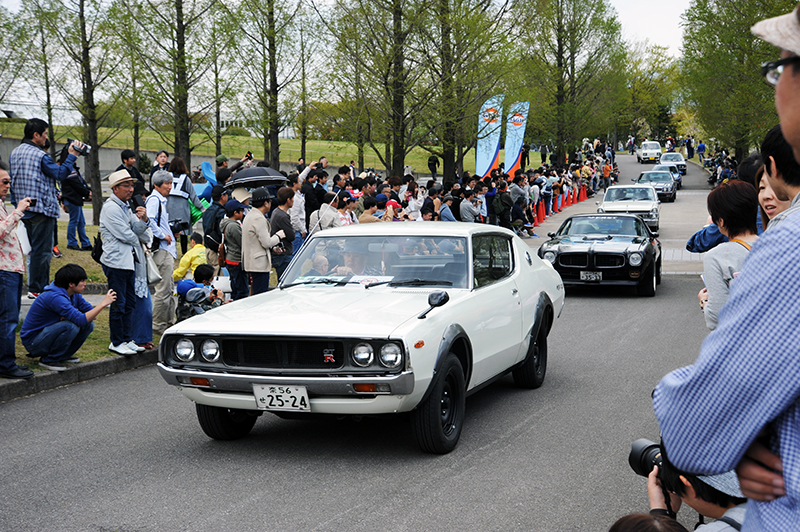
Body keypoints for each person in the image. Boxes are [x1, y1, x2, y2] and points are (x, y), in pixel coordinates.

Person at [652, 125, 800, 528]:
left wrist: (666, 398)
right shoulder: (771, 238)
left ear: (772, 168)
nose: (767, 196)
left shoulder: (786, 241)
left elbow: (703, 416)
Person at [9, 119, 84, 298]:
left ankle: (36, 286)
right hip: (42, 208)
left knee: (32, 249)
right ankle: (38, 288)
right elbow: (59, 174)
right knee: (42, 251)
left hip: (23, 207)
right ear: (36, 135)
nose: (45, 138)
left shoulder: (15, 152)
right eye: (44, 134)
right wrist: (72, 155)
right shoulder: (39, 155)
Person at [20, 264, 117, 371]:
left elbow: (90, 314)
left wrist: (75, 317)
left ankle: (63, 356)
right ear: (71, 284)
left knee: (88, 325)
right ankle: (49, 359)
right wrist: (104, 303)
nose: (85, 284)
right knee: (71, 326)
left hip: (47, 334)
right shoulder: (55, 297)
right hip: (34, 342)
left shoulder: (73, 294)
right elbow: (81, 319)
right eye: (82, 281)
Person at [99, 169, 150, 356]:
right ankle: (117, 341)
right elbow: (128, 235)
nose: (131, 189)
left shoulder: (125, 206)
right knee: (118, 303)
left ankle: (127, 339)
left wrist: (144, 219)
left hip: (128, 261)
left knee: (129, 302)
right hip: (116, 262)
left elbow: (138, 230)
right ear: (115, 188)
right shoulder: (111, 207)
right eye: (126, 185)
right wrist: (138, 233)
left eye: (132, 185)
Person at [697, 181, 759, 330]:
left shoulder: (716, 257)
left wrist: (704, 302)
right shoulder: (777, 245)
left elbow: (717, 319)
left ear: (721, 222)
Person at [0, 161, 33, 379]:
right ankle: (6, 365)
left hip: (10, 269)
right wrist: (18, 212)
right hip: (5, 271)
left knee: (8, 318)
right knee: (8, 319)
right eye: (4, 182)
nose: (8, 186)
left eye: (9, 182)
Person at [146, 170, 177, 335]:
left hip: (167, 249)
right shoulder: (154, 200)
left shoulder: (160, 200)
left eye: (171, 183)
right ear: (156, 185)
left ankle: (169, 322)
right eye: (167, 183)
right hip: (162, 250)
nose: (170, 187)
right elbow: (149, 220)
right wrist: (162, 235)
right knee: (163, 290)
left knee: (169, 288)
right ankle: (158, 325)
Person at [242, 188, 285, 295]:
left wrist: (273, 248)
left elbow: (259, 240)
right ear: (266, 203)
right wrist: (278, 236)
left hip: (252, 261)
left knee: (256, 292)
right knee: (260, 294)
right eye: (269, 201)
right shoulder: (258, 218)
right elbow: (266, 242)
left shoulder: (250, 215)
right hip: (258, 264)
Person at [167, 157, 204, 255]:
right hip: (182, 210)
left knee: (170, 230)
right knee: (183, 233)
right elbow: (193, 196)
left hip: (168, 209)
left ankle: (171, 252)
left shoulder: (167, 177)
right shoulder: (186, 179)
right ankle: (184, 253)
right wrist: (201, 208)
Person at [58, 145, 93, 251]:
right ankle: (72, 242)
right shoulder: (69, 169)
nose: (77, 157)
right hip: (72, 198)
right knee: (74, 221)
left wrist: (87, 191)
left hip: (74, 199)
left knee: (80, 222)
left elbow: (80, 182)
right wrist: (87, 193)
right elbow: (77, 184)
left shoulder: (70, 168)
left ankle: (85, 243)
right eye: (76, 155)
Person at [220, 199, 248, 300]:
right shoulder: (233, 226)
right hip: (237, 260)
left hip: (230, 259)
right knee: (242, 290)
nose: (243, 213)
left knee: (235, 287)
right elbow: (242, 243)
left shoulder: (226, 223)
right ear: (235, 213)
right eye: (241, 211)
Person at [201, 185, 228, 275]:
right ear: (222, 197)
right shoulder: (220, 212)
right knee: (217, 276)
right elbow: (222, 232)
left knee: (211, 273)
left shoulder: (208, 210)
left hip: (208, 247)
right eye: (226, 194)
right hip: (216, 250)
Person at [270, 187, 295, 279]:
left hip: (279, 253)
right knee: (285, 279)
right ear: (288, 200)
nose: (293, 201)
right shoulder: (282, 216)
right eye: (292, 198)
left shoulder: (276, 212)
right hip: (283, 255)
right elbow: (291, 236)